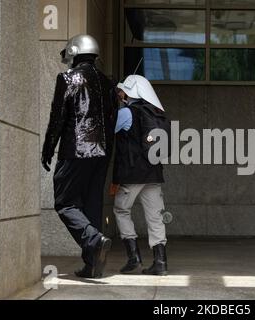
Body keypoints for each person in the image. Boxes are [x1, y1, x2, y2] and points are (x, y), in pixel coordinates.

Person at [41, 35, 118, 279]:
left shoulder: (68, 78)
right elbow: (112, 119)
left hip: (76, 149)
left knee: (64, 202)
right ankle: (92, 266)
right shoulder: (108, 83)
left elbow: (58, 117)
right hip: (103, 153)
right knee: (92, 206)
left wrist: (47, 148)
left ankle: (93, 239)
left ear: (75, 51)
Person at [111, 75, 169, 276]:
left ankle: (133, 257)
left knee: (121, 210)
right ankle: (160, 262)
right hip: (153, 173)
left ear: (129, 93)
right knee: (155, 216)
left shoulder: (127, 112)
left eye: (122, 92)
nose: (120, 95)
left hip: (133, 173)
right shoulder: (156, 114)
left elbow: (108, 130)